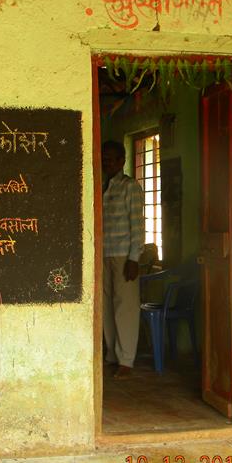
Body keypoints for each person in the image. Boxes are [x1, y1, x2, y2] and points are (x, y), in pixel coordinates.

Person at [101, 140, 144, 379]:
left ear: (121, 161)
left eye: (111, 158)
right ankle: (112, 354)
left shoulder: (130, 187)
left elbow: (137, 224)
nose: (106, 162)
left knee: (125, 307)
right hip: (103, 254)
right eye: (104, 158)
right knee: (106, 306)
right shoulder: (101, 186)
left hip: (124, 256)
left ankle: (126, 360)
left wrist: (134, 258)